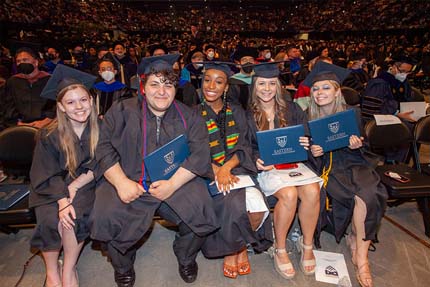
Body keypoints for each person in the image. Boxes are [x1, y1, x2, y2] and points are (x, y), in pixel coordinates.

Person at [89, 54, 219, 287]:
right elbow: (104, 148)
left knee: (201, 208)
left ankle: (185, 255)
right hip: (129, 178)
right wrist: (120, 182)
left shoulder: (189, 116)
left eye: (168, 85)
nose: (162, 91)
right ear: (143, 87)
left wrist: (172, 184)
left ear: (175, 89)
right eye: (155, 84)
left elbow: (200, 154)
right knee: (106, 214)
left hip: (177, 179)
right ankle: (123, 264)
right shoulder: (121, 112)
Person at [307, 66, 388, 287]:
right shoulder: (308, 117)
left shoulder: (352, 113)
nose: (320, 92)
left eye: (326, 88)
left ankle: (361, 256)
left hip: (354, 162)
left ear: (337, 91)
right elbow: (305, 153)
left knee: (369, 193)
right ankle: (354, 239)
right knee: (351, 194)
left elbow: (366, 144)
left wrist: (357, 144)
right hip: (328, 167)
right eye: (315, 89)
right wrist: (314, 152)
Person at [197, 62, 272, 279]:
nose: (212, 85)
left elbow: (245, 146)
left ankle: (239, 246)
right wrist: (216, 170)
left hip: (238, 169)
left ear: (226, 87)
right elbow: (194, 150)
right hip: (205, 172)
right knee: (233, 202)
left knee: (257, 206)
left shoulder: (239, 113)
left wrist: (227, 168)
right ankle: (234, 250)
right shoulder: (192, 114)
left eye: (219, 81)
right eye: (207, 80)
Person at [248, 62, 322, 279]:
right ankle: (280, 248)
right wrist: (256, 160)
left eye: (272, 83)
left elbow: (305, 136)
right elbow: (244, 145)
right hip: (268, 169)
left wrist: (305, 142)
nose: (267, 88)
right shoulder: (246, 114)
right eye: (262, 83)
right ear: (255, 86)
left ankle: (306, 244)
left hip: (293, 165)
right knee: (289, 194)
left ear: (279, 86)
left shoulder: (293, 109)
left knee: (311, 191)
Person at [29, 65, 99, 287]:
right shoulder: (48, 134)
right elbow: (45, 171)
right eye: (70, 102)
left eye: (83, 99)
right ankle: (52, 271)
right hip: (50, 184)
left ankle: (68, 268)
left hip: (86, 183)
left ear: (91, 100)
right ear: (60, 106)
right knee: (50, 220)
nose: (79, 107)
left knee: (73, 217)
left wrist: (74, 189)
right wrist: (62, 200)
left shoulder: (102, 127)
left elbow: (104, 162)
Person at [1, 47, 56, 129]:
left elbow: (56, 106)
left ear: (36, 62)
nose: (21, 63)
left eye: (25, 60)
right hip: (19, 126)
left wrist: (46, 121)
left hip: (48, 126)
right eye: (18, 61)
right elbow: (7, 107)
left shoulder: (50, 80)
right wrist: (18, 123)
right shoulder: (12, 82)